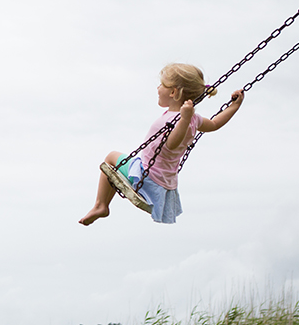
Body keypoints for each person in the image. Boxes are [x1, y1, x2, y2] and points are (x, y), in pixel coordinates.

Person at [78, 63, 244, 226]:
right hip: (163, 181)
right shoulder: (194, 118)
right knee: (114, 163)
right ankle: (101, 206)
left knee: (111, 157)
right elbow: (214, 124)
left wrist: (185, 119)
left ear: (173, 92)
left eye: (161, 85)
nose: (158, 88)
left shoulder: (182, 119)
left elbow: (171, 144)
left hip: (148, 177)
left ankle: (101, 205)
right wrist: (235, 106)